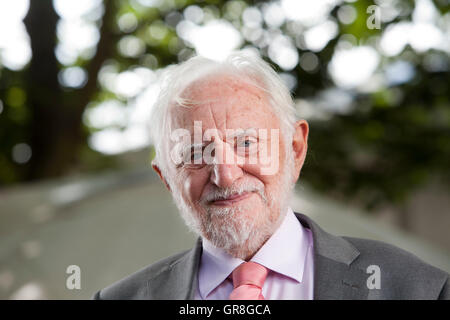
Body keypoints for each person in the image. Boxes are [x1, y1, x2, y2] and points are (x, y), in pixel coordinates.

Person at [93, 51, 449, 300]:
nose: (227, 175)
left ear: (295, 148)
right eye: (196, 152)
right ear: (167, 177)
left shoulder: (419, 289)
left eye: (247, 142)